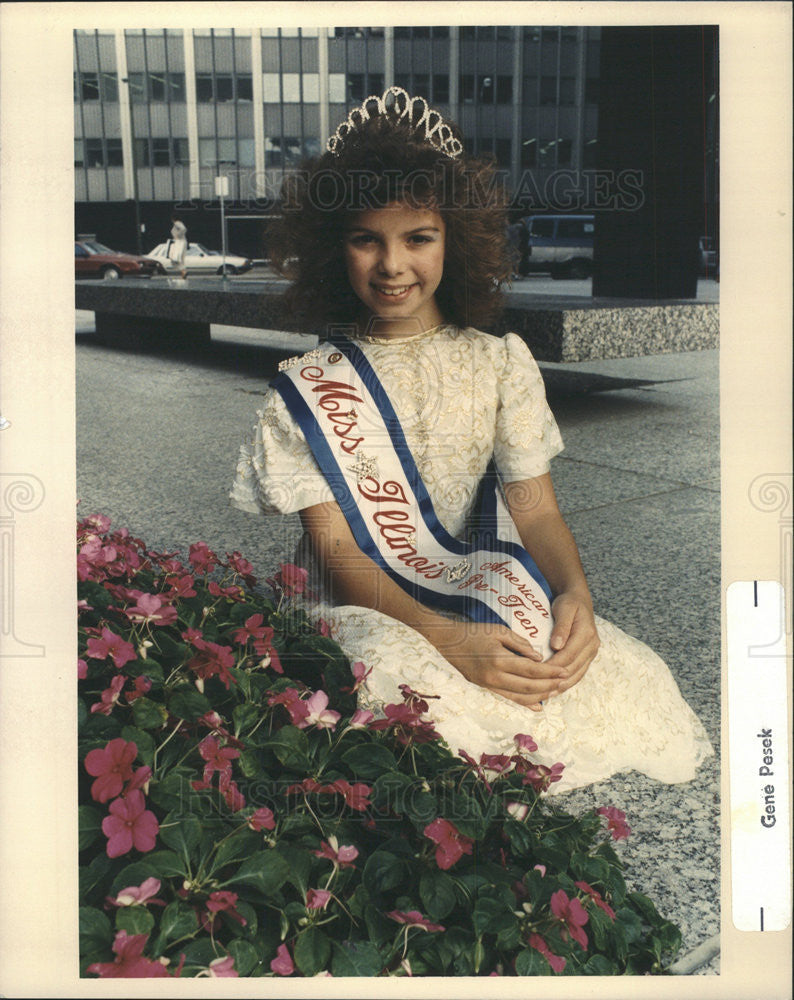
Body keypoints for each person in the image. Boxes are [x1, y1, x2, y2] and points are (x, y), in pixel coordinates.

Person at [230, 88, 712, 793]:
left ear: (456, 239)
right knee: (409, 694)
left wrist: (575, 591)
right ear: (333, 248)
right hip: (365, 597)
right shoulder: (306, 387)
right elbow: (336, 553)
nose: (393, 264)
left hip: (471, 572)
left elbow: (535, 506)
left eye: (417, 237)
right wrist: (450, 637)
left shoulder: (498, 361)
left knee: (580, 667)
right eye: (368, 238)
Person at [169, 213, 188, 279]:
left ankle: (183, 271)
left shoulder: (177, 223)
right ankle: (183, 272)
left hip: (179, 242)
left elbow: (183, 229)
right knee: (180, 258)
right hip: (182, 241)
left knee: (175, 258)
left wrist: (178, 235)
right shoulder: (179, 223)